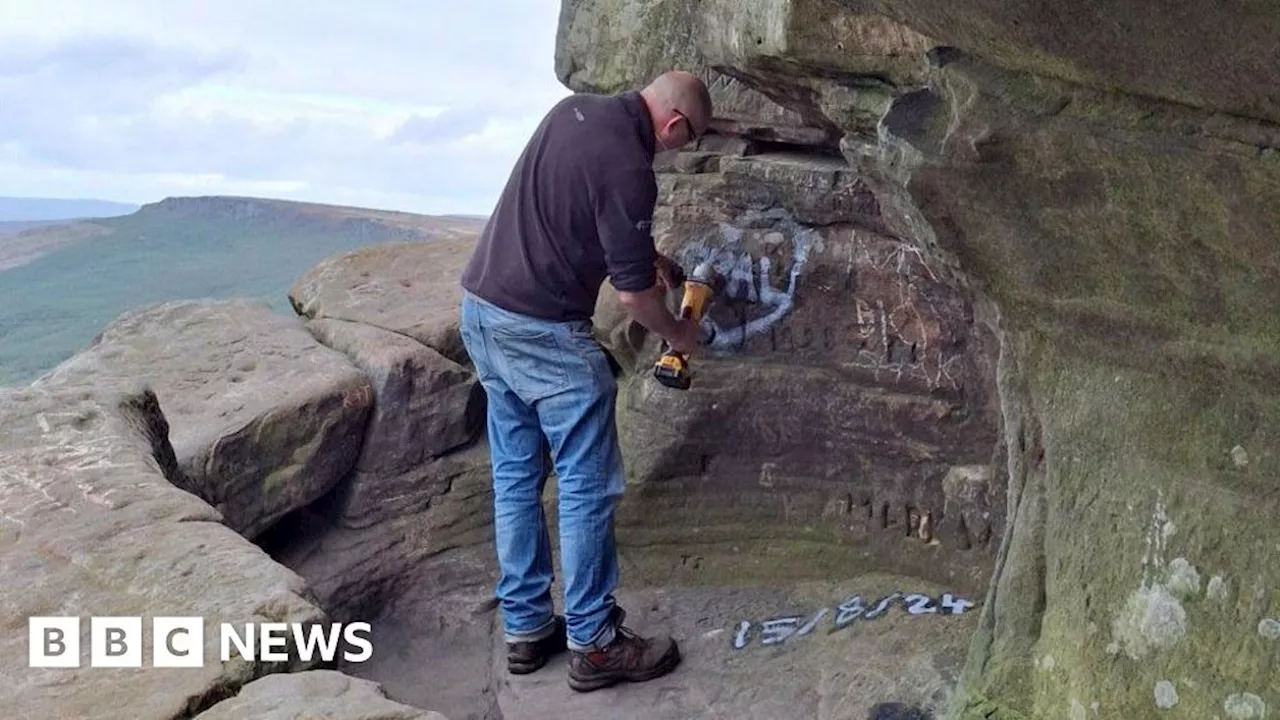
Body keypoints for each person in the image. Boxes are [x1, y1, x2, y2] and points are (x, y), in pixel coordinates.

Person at [456, 70, 714, 692]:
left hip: (481, 311)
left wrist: (641, 255)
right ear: (674, 125)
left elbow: (574, 211)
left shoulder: (573, 113)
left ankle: (525, 628)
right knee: (586, 482)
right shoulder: (632, 166)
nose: (681, 153)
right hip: (541, 334)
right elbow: (632, 300)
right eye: (690, 141)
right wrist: (678, 335)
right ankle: (595, 643)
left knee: (517, 473)